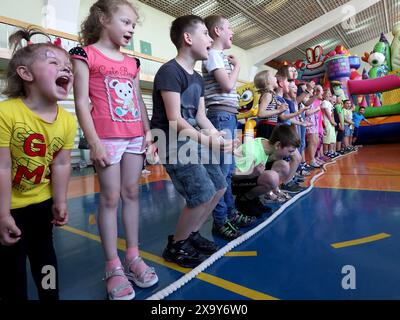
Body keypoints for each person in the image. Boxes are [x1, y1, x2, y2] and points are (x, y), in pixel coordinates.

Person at [70, 0, 158, 300]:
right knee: (109, 198)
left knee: (132, 193)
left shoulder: (132, 63)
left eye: (134, 24)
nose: (131, 29)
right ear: (103, 18)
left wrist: (148, 133)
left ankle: (133, 255)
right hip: (106, 137)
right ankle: (113, 266)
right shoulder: (85, 54)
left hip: (134, 135)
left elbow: (136, 100)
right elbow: (81, 101)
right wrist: (93, 141)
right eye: (125, 22)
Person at [150, 15, 234, 267]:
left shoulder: (197, 78)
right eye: (205, 34)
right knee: (201, 193)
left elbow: (199, 116)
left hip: (192, 139)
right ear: (188, 38)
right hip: (171, 141)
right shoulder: (170, 72)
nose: (210, 39)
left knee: (219, 186)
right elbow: (175, 119)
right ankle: (176, 245)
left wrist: (215, 135)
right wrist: (208, 142)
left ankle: (191, 234)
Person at [0, 28, 77, 300]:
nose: (65, 68)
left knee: (46, 259)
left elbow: (61, 163)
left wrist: (61, 200)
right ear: (26, 74)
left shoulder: (67, 121)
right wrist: (2, 214)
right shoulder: (6, 112)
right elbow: (2, 166)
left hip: (41, 204)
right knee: (11, 269)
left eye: (67, 66)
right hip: (8, 206)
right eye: (54, 63)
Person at [202, 15, 255, 240]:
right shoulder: (213, 55)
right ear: (217, 31)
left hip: (228, 117)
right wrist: (238, 66)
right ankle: (221, 220)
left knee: (228, 170)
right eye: (229, 28)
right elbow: (226, 85)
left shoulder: (219, 56)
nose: (232, 32)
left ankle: (231, 213)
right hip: (220, 117)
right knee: (221, 173)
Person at [232, 124, 301, 212]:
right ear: (278, 145)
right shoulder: (253, 153)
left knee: (283, 165)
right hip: (235, 183)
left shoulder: (266, 143)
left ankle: (257, 196)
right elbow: (232, 175)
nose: (291, 154)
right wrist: (251, 174)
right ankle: (243, 199)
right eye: (290, 151)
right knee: (272, 177)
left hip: (249, 176)